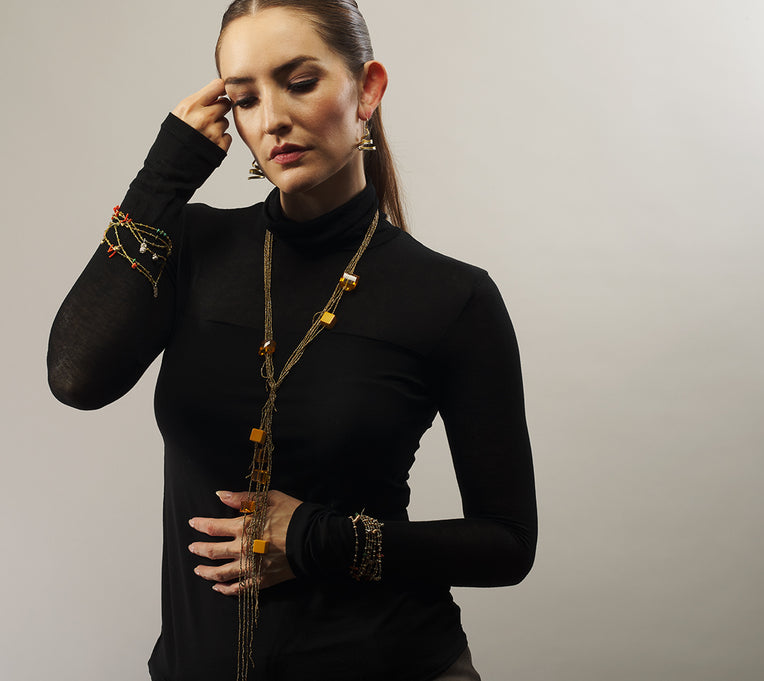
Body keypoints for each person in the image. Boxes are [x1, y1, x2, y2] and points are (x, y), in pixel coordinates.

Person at [47, 1, 537, 679]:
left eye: (299, 82)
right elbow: (76, 377)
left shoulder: (453, 298)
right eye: (245, 99)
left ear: (367, 90)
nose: (272, 118)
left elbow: (507, 544)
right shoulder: (195, 248)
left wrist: (318, 539)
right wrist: (163, 177)